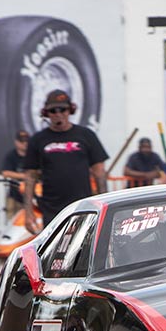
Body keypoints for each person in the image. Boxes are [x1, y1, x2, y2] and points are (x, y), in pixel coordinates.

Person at [23, 90, 108, 234]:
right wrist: (28, 212)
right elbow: (30, 177)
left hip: (82, 205)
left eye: (62, 109)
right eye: (53, 110)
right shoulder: (38, 140)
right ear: (46, 113)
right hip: (51, 208)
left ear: (70, 110)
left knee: (83, 248)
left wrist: (104, 205)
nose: (58, 114)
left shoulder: (86, 135)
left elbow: (99, 173)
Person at [1, 130, 29, 219]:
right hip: (14, 195)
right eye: (22, 141)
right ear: (16, 142)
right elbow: (5, 173)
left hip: (32, 195)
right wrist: (25, 176)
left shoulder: (33, 155)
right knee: (13, 220)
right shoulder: (11, 155)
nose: (24, 144)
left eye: (26, 141)